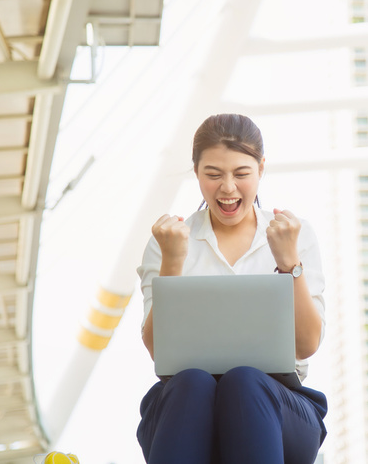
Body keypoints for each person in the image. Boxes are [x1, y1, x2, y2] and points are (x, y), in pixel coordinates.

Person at [135, 113, 328, 464]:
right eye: (213, 175)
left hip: (280, 408)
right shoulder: (170, 241)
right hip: (185, 406)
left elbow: (308, 344)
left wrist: (289, 263)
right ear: (196, 173)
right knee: (193, 382)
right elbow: (157, 351)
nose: (227, 188)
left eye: (241, 174)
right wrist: (173, 263)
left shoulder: (293, 234)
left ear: (261, 169)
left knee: (244, 382)